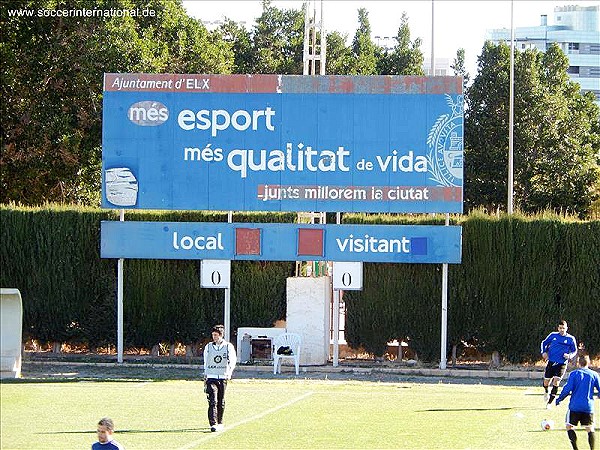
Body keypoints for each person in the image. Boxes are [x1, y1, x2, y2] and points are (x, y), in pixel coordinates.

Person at [556, 354, 600, 450]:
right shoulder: (594, 375)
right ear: (589, 363)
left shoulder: (574, 374)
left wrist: (559, 399)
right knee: (590, 428)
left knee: (569, 426)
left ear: (578, 363)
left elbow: (567, 389)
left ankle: (575, 448)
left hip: (575, 406)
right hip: (588, 407)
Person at [203, 324, 236, 432]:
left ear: (221, 335)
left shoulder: (228, 347)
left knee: (221, 400)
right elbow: (205, 361)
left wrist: (229, 373)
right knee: (213, 400)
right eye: (213, 335)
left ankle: (220, 421)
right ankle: (213, 423)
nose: (214, 337)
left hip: (223, 377)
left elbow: (232, 360)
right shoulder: (208, 347)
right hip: (211, 377)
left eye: (216, 335)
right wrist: (206, 375)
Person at [540, 320, 577, 408]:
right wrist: (544, 352)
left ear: (567, 328)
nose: (562, 330)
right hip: (551, 362)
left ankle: (549, 403)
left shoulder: (570, 339)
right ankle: (546, 391)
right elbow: (544, 343)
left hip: (562, 363)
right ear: (558, 328)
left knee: (556, 381)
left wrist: (569, 355)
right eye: (560, 328)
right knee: (546, 382)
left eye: (563, 328)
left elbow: (574, 350)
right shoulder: (553, 335)